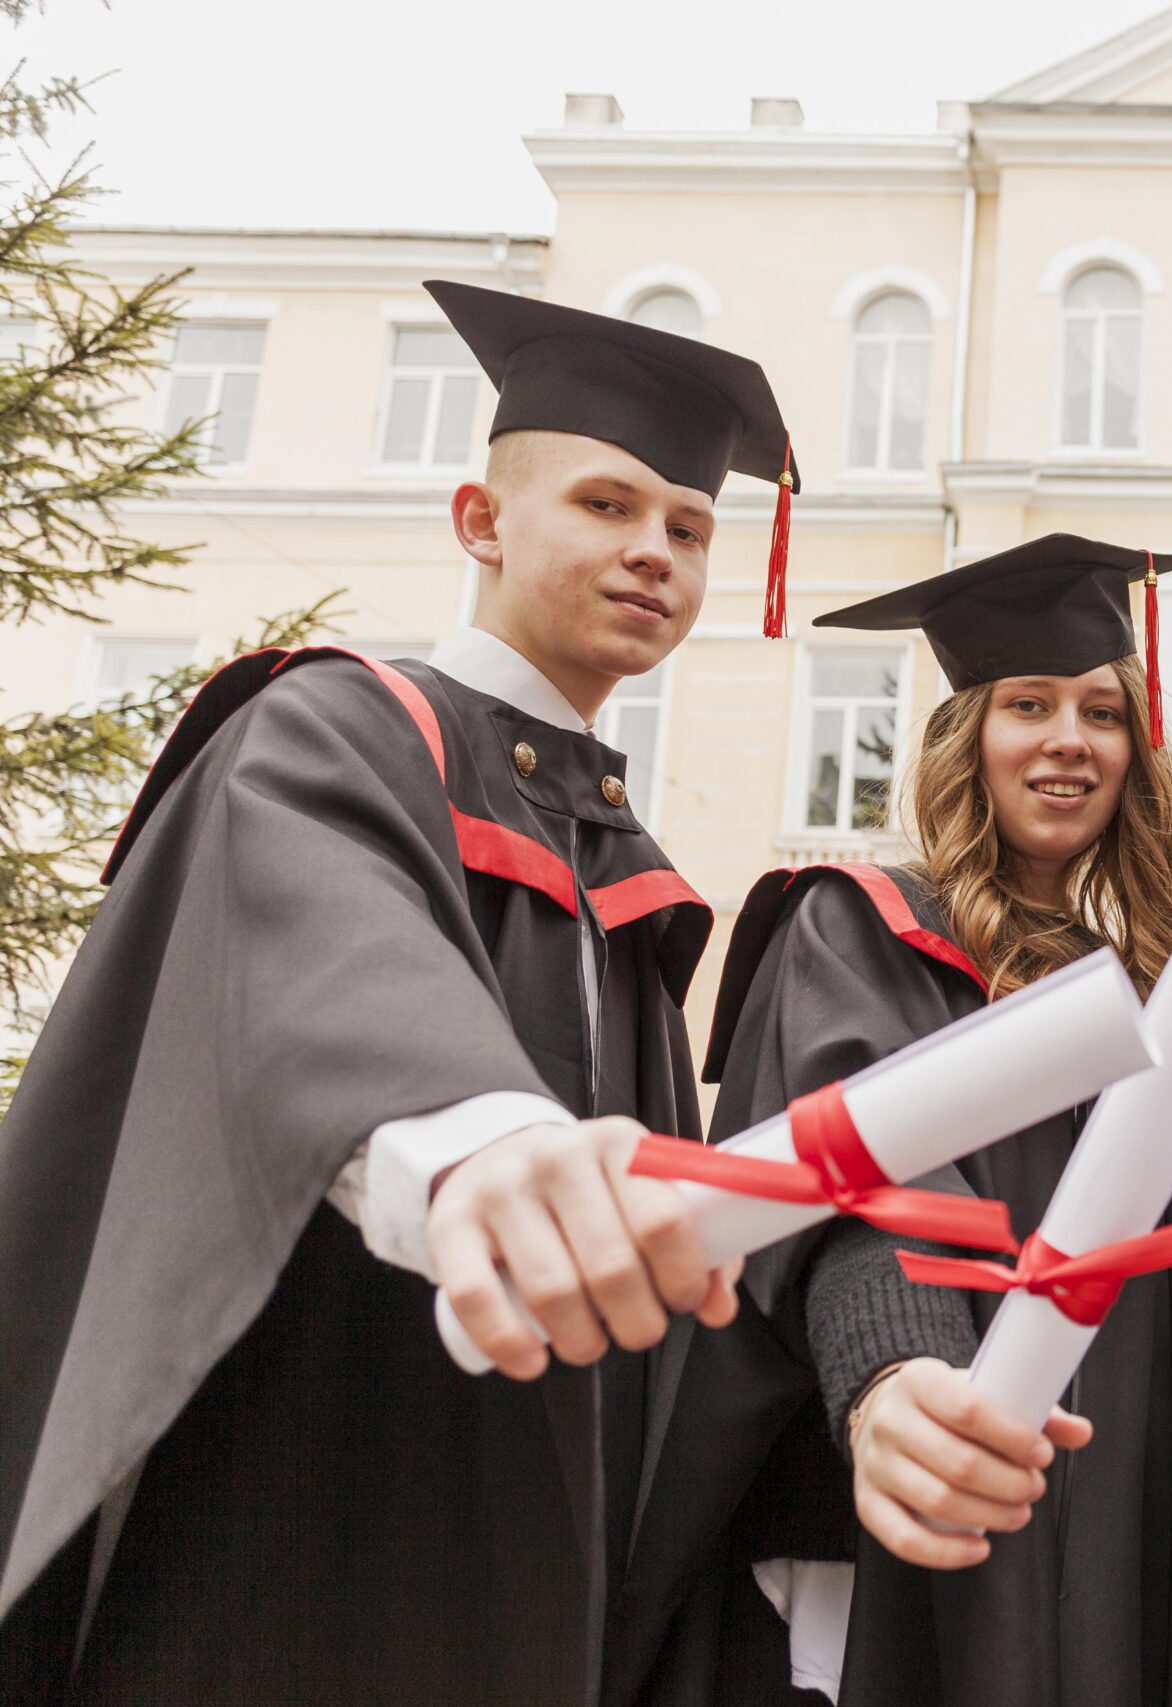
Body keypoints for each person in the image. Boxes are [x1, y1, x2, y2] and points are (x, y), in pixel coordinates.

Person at [0, 279, 794, 1701]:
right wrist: (476, 1139)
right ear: (479, 520)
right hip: (316, 1516)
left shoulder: (619, 855)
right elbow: (319, 958)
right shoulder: (339, 720)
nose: (655, 552)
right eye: (606, 505)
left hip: (545, 1558)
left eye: (689, 526)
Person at [617, 533, 1172, 1707]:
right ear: (966, 739)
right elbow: (839, 1212)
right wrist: (899, 1372)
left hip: (1110, 1511)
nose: (1068, 740)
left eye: (1101, 711)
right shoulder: (857, 928)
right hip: (914, 1466)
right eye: (1028, 705)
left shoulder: (1148, 990)